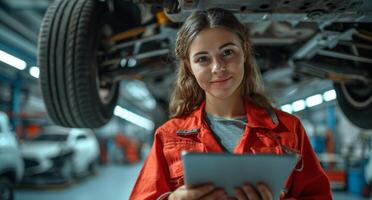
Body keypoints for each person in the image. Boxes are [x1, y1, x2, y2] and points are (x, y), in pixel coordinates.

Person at [130, 8, 332, 200]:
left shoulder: (288, 129)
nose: (218, 67)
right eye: (203, 59)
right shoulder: (168, 136)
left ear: (244, 52)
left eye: (227, 52)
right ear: (189, 67)